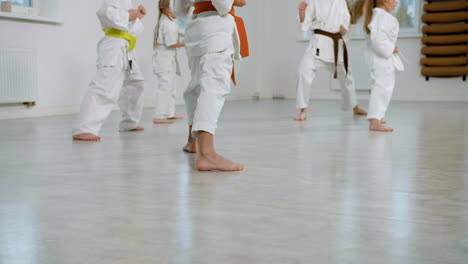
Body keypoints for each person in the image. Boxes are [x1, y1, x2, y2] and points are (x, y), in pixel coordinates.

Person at [182, 0, 248, 171]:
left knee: (196, 85)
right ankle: (207, 154)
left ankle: (192, 141)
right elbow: (223, 5)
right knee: (214, 85)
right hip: (215, 27)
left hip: (195, 27)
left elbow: (179, 9)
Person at [72, 0, 147, 141]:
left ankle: (129, 122)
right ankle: (84, 128)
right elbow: (105, 13)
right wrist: (130, 15)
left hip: (127, 46)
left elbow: (132, 27)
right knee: (106, 85)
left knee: (136, 83)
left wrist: (137, 16)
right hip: (113, 45)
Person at [294, 0, 367, 122]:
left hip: (336, 44)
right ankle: (303, 109)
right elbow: (305, 23)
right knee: (303, 71)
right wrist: (302, 12)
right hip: (318, 42)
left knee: (347, 77)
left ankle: (355, 107)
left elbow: (346, 21)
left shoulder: (341, 1)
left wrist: (345, 30)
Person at [362, 0, 403, 132]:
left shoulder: (380, 16)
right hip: (381, 58)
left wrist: (391, 48)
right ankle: (374, 121)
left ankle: (378, 116)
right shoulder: (381, 16)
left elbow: (379, 38)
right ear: (385, 1)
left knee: (384, 88)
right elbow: (377, 40)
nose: (396, 2)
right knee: (381, 88)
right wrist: (391, 49)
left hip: (382, 59)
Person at [152, 0, 186, 124]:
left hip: (168, 59)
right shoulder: (167, 24)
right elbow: (171, 43)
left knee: (171, 86)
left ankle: (169, 113)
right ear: (164, 8)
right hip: (164, 60)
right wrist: (186, 43)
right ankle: (159, 115)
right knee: (165, 86)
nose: (175, 12)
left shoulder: (170, 22)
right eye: (172, 9)